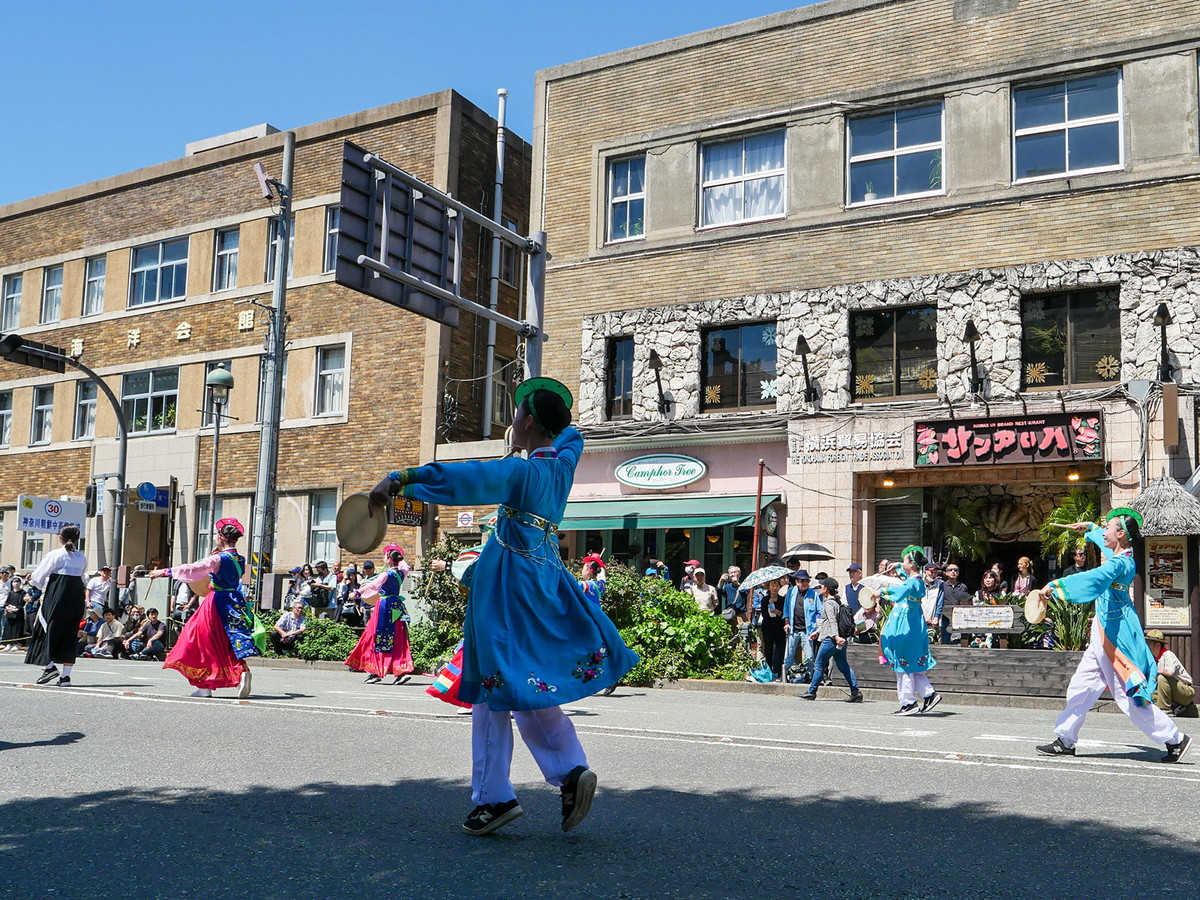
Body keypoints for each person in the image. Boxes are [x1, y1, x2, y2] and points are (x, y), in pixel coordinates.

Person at [369, 376, 637, 836]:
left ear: (529, 421)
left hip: (507, 585)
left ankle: (494, 798)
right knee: (523, 683)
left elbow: (467, 478)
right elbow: (574, 435)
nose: (511, 421)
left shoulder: (521, 472)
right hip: (546, 578)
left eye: (516, 414)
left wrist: (400, 480)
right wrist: (555, 422)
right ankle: (571, 771)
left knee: (491, 690)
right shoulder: (562, 465)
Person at [1029, 510, 1191, 763]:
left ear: (1120, 534)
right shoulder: (1116, 555)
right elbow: (1103, 546)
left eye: (1108, 528)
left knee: (1128, 696)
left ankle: (1174, 738)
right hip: (1102, 631)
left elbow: (1095, 577)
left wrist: (1056, 586)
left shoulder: (1122, 563)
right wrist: (1090, 527)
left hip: (1115, 635)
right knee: (1081, 687)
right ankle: (1066, 739)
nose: (1103, 532)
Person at [153, 518, 261, 699]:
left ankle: (204, 687)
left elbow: (194, 568)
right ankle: (241, 671)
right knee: (225, 641)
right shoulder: (240, 559)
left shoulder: (218, 558)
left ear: (220, 538)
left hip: (215, 602)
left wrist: (164, 571)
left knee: (196, 640)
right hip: (234, 602)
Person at [879, 546, 941, 716]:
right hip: (913, 624)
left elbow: (901, 590)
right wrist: (897, 565)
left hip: (907, 625)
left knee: (903, 664)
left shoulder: (912, 582)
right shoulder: (916, 580)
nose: (902, 564)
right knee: (912, 665)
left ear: (912, 563)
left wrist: (881, 592)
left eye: (905, 560)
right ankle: (929, 694)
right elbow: (904, 576)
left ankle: (909, 702)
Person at [25, 524, 89, 687]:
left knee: (45, 628)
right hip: (75, 595)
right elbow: (81, 576)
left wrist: (31, 581)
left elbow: (38, 578)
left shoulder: (55, 554)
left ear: (60, 538)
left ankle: (49, 666)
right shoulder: (81, 557)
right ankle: (66, 677)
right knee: (69, 632)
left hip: (57, 595)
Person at [344, 545, 414, 685]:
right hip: (397, 607)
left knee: (375, 636)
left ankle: (375, 671)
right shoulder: (401, 573)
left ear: (389, 559)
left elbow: (372, 586)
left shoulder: (386, 574)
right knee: (397, 638)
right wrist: (399, 558)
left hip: (384, 606)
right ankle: (399, 671)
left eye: (385, 556)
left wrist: (356, 593)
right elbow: (405, 565)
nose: (383, 559)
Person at [801, 578, 862, 702]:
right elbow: (827, 621)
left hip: (831, 639)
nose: (821, 588)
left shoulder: (828, 603)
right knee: (843, 665)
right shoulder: (837, 602)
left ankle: (812, 691)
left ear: (826, 589)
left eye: (822, 586)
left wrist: (835, 636)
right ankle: (855, 692)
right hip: (838, 639)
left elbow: (832, 621)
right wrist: (817, 632)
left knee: (818, 664)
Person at [1145, 629, 1197, 718]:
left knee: (1162, 677)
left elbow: (1169, 672)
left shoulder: (1168, 655)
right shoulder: (1154, 658)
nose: (1147, 647)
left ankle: (1165, 708)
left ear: (1157, 645)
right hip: (1174, 692)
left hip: (1186, 692)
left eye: (1149, 644)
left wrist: (1154, 670)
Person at [782, 570, 816, 681]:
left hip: (808, 630)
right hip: (793, 629)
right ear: (797, 582)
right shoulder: (791, 592)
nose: (805, 583)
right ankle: (788, 677)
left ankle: (809, 678)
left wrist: (816, 628)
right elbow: (786, 609)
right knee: (788, 657)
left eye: (807, 581)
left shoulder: (813, 593)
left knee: (809, 657)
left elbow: (819, 611)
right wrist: (786, 623)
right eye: (802, 581)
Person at [754, 577, 787, 681]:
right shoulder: (765, 599)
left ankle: (779, 672)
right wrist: (769, 604)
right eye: (772, 585)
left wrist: (778, 612)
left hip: (780, 628)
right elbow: (764, 614)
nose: (774, 588)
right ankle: (768, 671)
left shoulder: (782, 599)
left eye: (776, 585)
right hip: (768, 628)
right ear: (769, 587)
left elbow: (784, 613)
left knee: (780, 650)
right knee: (768, 650)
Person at [939, 563, 971, 645]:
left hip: (958, 616)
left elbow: (966, 600)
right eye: (950, 570)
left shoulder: (963, 586)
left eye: (955, 570)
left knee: (958, 641)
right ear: (946, 573)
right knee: (945, 640)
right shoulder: (941, 586)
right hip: (945, 617)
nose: (953, 572)